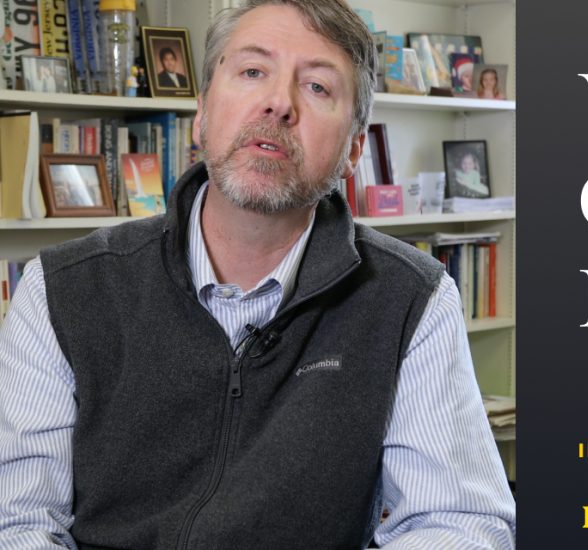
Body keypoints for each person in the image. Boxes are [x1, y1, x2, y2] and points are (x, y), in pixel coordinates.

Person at [0, 0, 516, 548]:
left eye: (318, 87)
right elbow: (18, 521)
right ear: (201, 112)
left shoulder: (413, 297)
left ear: (353, 150)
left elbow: (459, 523)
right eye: (252, 72)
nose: (278, 103)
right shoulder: (62, 289)